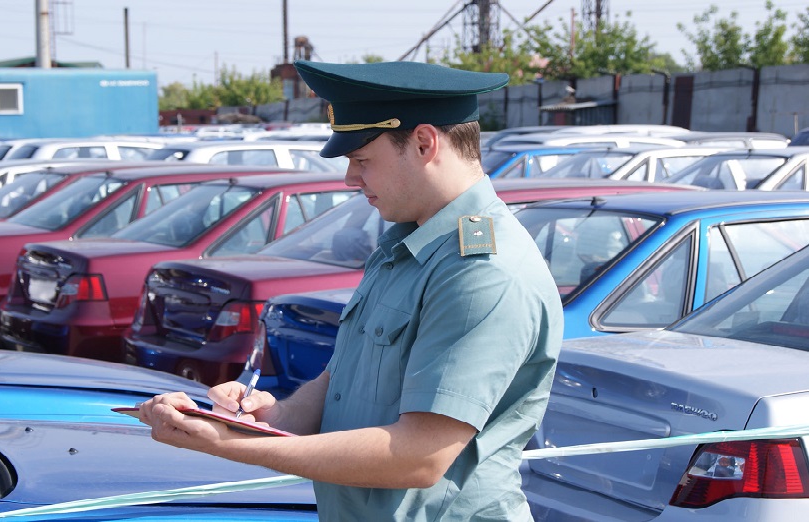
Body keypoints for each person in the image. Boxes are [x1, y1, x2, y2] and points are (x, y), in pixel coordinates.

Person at [137, 59, 564, 521]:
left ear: (424, 143)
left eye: (362, 160)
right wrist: (267, 420)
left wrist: (232, 447)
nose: (350, 178)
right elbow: (337, 387)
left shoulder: (482, 270)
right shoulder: (406, 243)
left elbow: (421, 456)